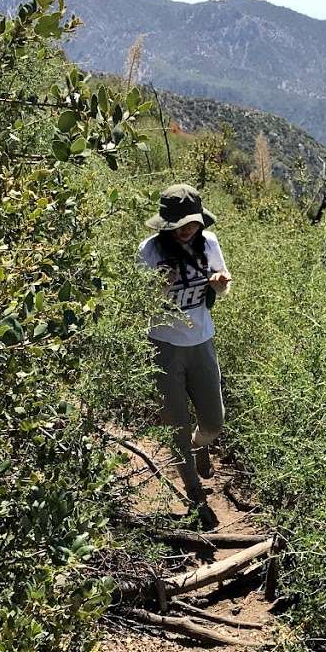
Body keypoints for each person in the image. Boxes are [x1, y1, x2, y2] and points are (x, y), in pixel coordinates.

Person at [138, 184, 232, 528]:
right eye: (180, 224)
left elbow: (221, 288)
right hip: (162, 344)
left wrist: (221, 282)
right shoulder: (149, 251)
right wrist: (162, 284)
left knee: (213, 420)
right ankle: (195, 494)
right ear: (166, 225)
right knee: (175, 424)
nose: (187, 229)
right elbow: (139, 303)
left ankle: (199, 444)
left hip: (201, 340)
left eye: (192, 223)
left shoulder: (209, 244)